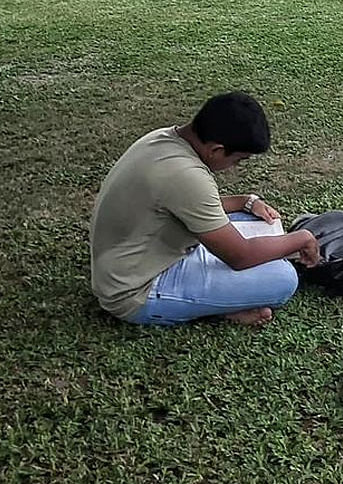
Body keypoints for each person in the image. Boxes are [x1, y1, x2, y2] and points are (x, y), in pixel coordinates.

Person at [90, 92, 321, 328]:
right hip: (136, 291)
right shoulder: (186, 175)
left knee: (248, 219)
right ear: (217, 150)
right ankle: (213, 308)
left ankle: (215, 301)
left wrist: (246, 202)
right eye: (239, 160)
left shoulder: (162, 139)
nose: (235, 167)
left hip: (135, 259)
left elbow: (187, 204)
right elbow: (240, 257)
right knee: (283, 279)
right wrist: (301, 238)